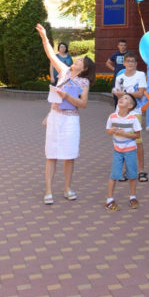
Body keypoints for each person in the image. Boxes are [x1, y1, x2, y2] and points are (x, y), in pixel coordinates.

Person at [36, 23, 95, 205]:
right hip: (55, 117)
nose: (76, 60)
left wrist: (67, 96)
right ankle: (48, 190)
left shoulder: (84, 83)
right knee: (51, 154)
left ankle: (68, 188)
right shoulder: (64, 71)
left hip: (71, 120)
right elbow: (50, 55)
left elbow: (83, 104)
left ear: (84, 68)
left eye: (80, 61)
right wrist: (44, 37)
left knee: (69, 156)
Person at [112, 53, 148, 182]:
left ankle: (141, 170)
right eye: (128, 61)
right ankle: (125, 170)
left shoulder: (140, 75)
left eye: (133, 61)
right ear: (124, 63)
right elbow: (118, 95)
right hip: (121, 112)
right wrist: (118, 94)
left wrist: (125, 93)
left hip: (135, 111)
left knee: (137, 140)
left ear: (136, 64)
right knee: (121, 140)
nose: (131, 64)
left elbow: (140, 93)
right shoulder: (119, 77)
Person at [105, 92, 141, 210]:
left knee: (132, 174)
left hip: (130, 150)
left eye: (126, 98)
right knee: (114, 174)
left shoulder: (133, 119)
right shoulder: (112, 117)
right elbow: (108, 131)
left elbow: (137, 135)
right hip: (117, 150)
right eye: (122, 97)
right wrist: (112, 131)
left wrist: (124, 134)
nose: (121, 99)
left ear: (130, 106)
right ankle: (109, 200)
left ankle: (133, 197)